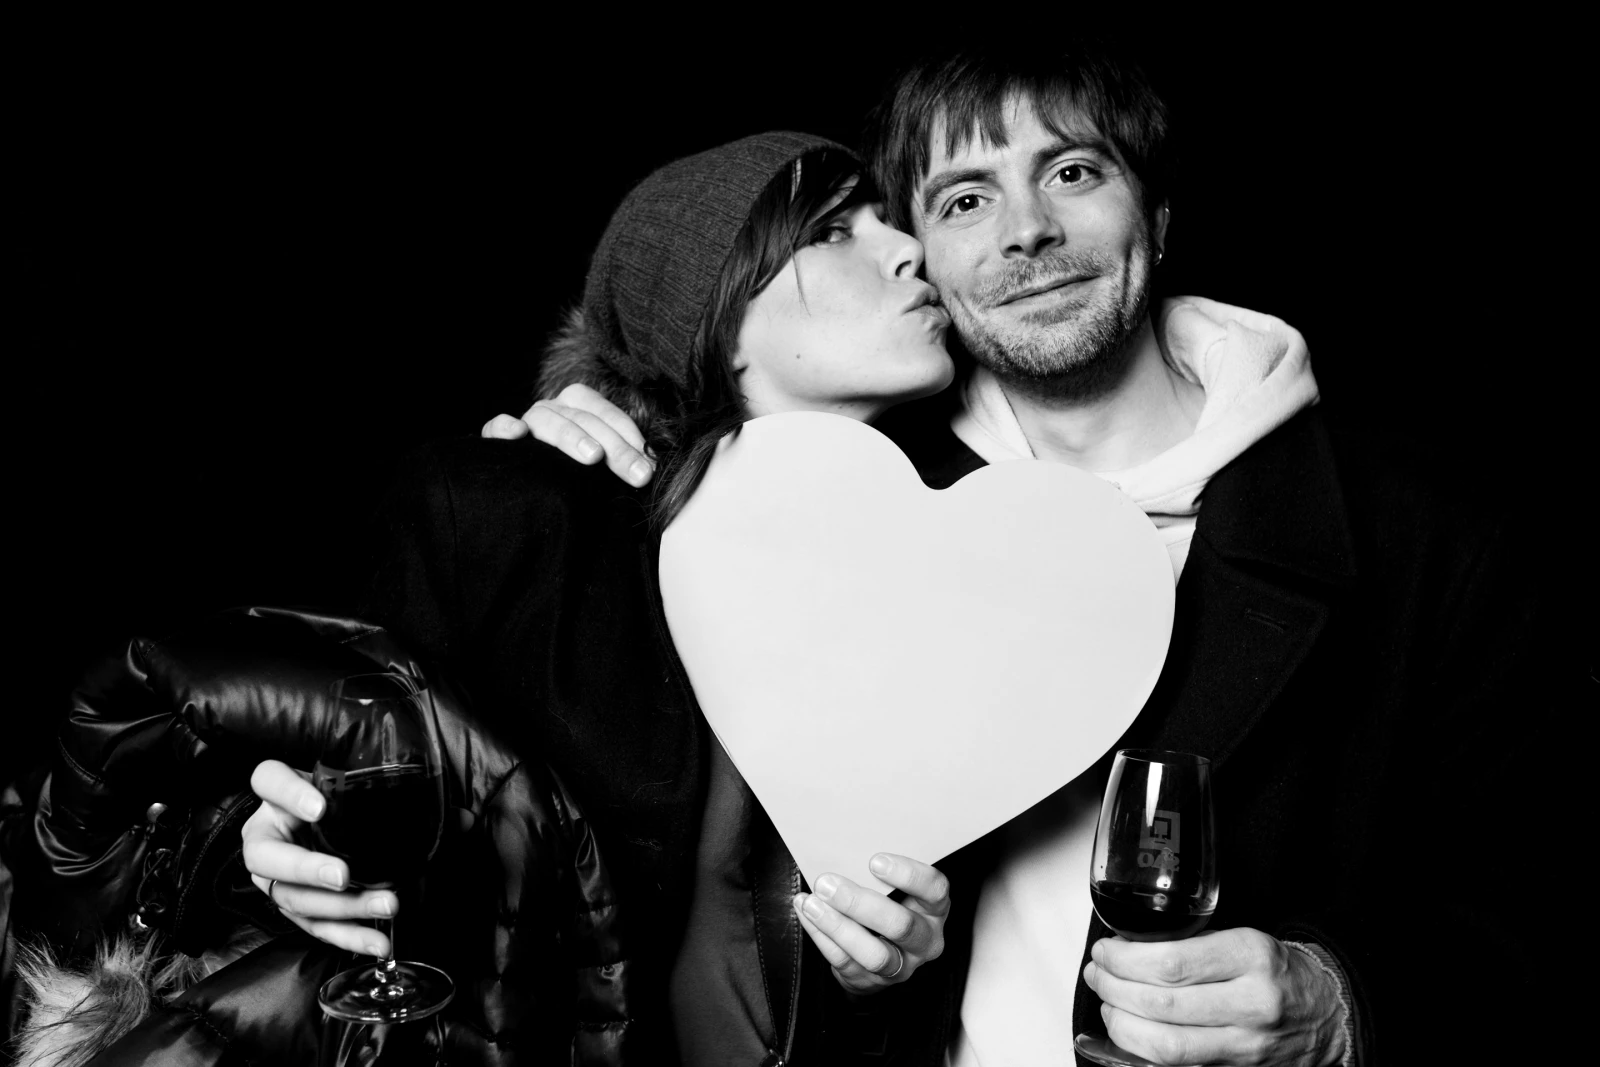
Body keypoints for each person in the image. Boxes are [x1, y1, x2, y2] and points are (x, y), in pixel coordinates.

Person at [500, 45, 1567, 1065]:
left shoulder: (1423, 534)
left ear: (1155, 210)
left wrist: (1341, 1006)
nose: (1026, 232)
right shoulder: (856, 517)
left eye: (1071, 172)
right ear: (926, 254)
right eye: (966, 199)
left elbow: (1563, 900)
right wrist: (559, 455)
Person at [240, 132, 963, 1064]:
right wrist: (274, 853)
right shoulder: (509, 512)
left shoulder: (925, 589)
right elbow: (339, 804)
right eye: (830, 231)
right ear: (709, 317)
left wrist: (878, 980)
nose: (907, 247)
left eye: (888, 218)